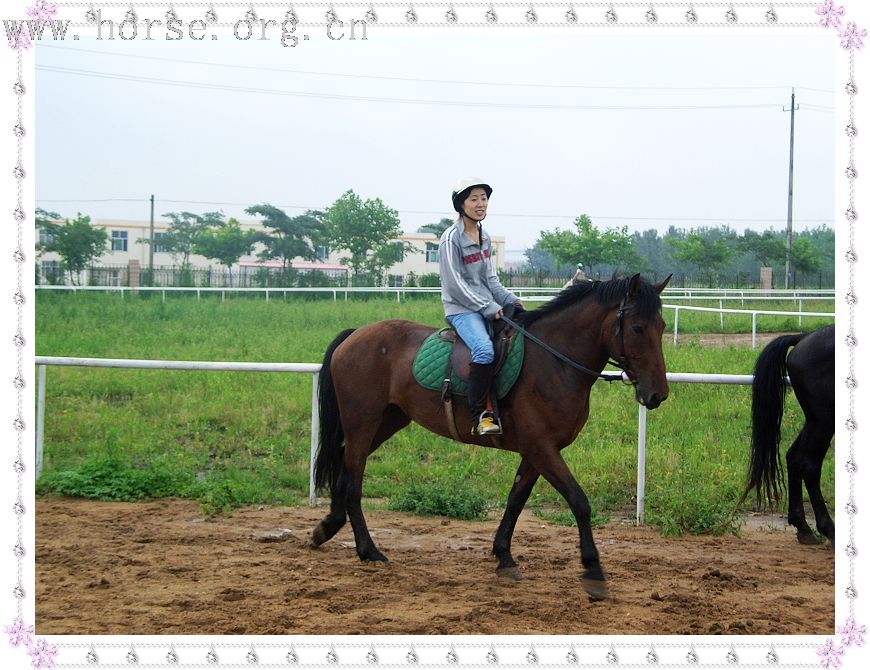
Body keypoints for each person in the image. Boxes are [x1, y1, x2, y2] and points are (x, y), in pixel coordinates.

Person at [439, 177, 523, 436]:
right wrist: (486, 306)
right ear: (461, 204)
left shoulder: (484, 236)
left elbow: (490, 279)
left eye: (483, 198)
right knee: (485, 350)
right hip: (461, 310)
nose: (480, 204)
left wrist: (511, 300)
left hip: (486, 304)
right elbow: (455, 284)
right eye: (473, 199)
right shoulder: (450, 238)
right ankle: (479, 416)